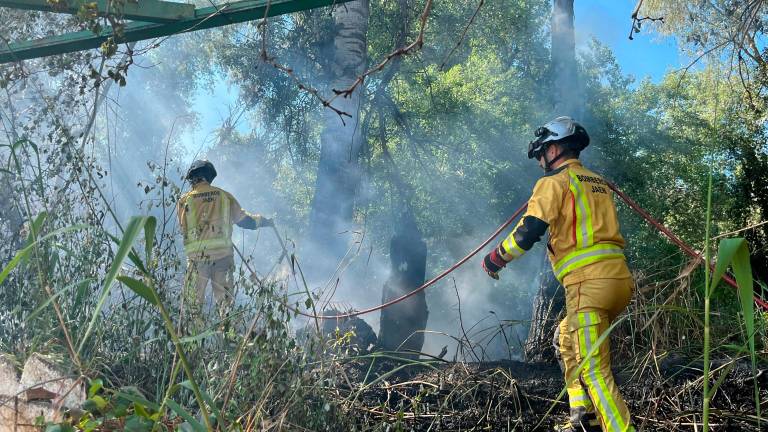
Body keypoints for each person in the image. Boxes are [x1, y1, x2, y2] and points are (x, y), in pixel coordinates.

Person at [481, 117, 636, 432]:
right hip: (618, 283)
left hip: (587, 285)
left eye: (541, 153)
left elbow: (528, 232)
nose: (540, 161)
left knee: (594, 370)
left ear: (554, 148)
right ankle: (584, 418)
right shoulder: (598, 182)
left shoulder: (553, 183)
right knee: (565, 338)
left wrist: (496, 258)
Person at [177, 160, 272, 324]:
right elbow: (245, 221)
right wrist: (265, 221)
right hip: (223, 258)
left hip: (196, 260)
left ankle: (191, 345)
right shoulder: (224, 196)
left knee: (192, 308)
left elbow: (183, 227)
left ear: (193, 179)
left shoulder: (184, 200)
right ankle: (228, 342)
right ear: (209, 177)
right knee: (226, 307)